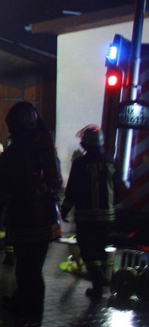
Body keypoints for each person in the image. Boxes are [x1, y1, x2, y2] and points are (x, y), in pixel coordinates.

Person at [0, 101, 62, 325]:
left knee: (28, 270)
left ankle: (30, 313)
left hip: (24, 219)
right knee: (31, 268)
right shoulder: (43, 150)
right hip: (45, 219)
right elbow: (54, 181)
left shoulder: (15, 154)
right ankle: (24, 303)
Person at [60, 125, 123, 300]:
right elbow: (118, 190)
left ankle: (97, 283)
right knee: (101, 249)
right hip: (107, 218)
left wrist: (65, 209)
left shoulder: (80, 164)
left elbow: (72, 190)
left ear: (85, 145)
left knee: (88, 250)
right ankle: (102, 280)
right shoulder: (111, 163)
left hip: (86, 217)